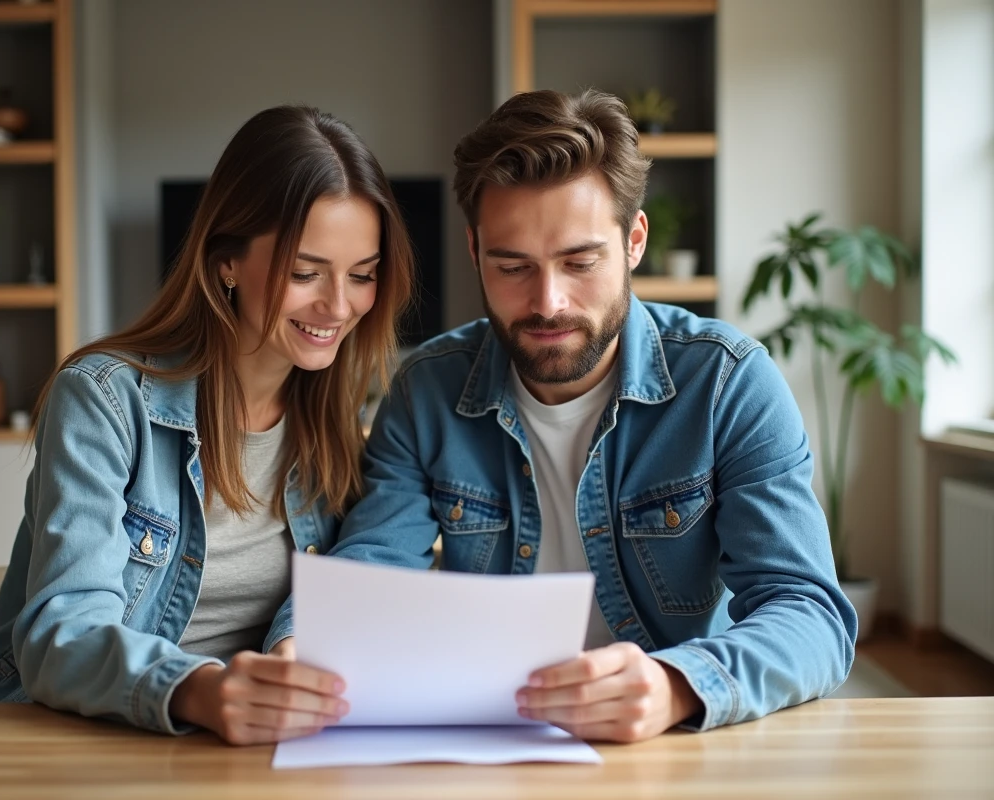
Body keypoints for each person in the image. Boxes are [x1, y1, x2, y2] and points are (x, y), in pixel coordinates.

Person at [310, 89, 856, 743]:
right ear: (474, 249)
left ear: (634, 241)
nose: (548, 302)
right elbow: (373, 573)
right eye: (512, 266)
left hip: (668, 749)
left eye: (580, 262)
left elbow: (811, 613)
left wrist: (678, 685)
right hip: (485, 742)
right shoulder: (425, 391)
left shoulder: (728, 384)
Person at [0, 105, 414, 745]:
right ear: (227, 262)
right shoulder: (105, 400)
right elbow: (62, 635)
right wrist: (200, 690)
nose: (339, 306)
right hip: (71, 733)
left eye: (361, 275)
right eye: (305, 273)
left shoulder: (332, 415)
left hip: (236, 750)